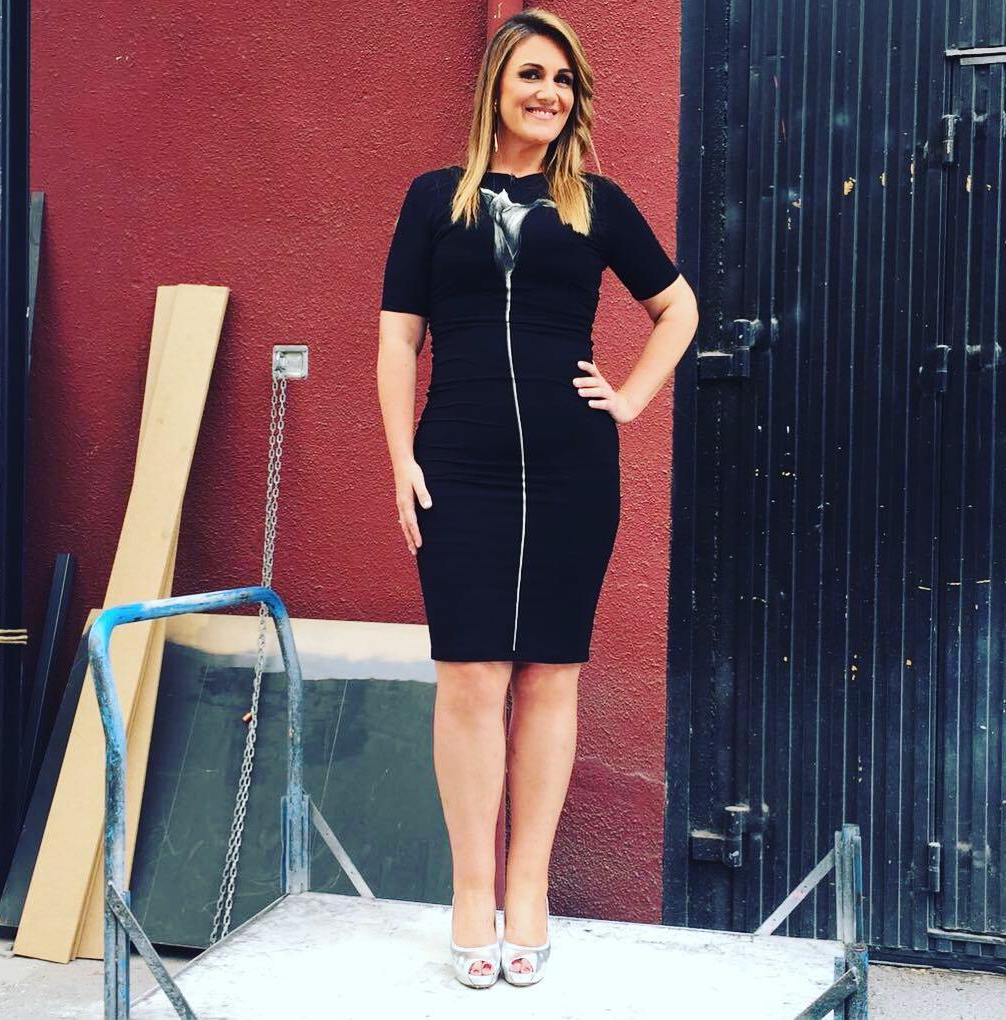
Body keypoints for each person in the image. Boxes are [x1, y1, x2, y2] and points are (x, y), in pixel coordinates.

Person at [377, 8, 699, 990]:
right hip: (459, 461)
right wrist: (400, 459)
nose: (548, 93)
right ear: (496, 87)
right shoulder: (433, 200)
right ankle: (471, 893)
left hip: (570, 468)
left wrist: (630, 397)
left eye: (563, 79)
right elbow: (399, 337)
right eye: (531, 74)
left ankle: (529, 893)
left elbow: (677, 307)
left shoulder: (597, 204)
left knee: (552, 672)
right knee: (472, 674)